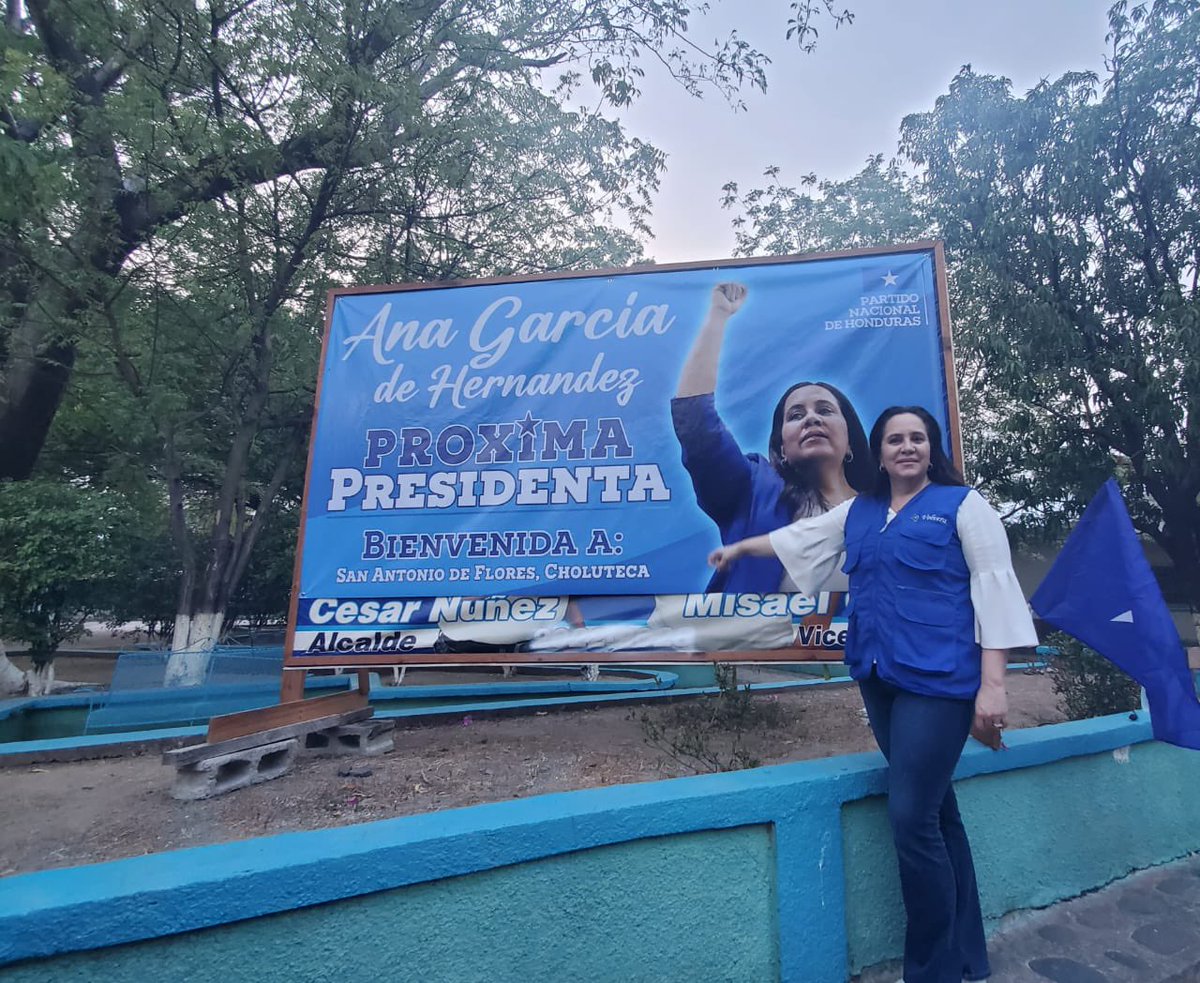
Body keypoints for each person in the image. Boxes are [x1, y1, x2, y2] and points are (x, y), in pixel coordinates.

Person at [709, 406, 1037, 983]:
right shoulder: (860, 513)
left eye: (917, 438)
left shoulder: (964, 507)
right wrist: (738, 551)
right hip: (880, 678)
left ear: (931, 449)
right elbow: (798, 540)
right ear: (878, 452)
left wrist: (993, 689)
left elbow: (995, 595)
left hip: (940, 684)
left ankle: (932, 970)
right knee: (939, 813)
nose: (905, 447)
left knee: (911, 819)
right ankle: (967, 955)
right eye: (894, 439)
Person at [673, 282, 873, 592]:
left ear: (849, 440)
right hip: (758, 640)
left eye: (825, 410)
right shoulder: (753, 490)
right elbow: (697, 424)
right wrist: (717, 318)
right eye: (795, 415)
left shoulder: (883, 508)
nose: (812, 418)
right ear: (782, 446)